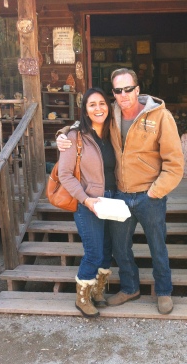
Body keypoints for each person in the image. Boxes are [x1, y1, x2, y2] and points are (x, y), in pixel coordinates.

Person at [57, 68, 184, 314]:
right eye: (118, 90)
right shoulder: (112, 114)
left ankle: (164, 291)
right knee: (120, 247)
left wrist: (155, 192)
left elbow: (175, 164)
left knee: (157, 245)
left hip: (150, 195)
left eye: (128, 89)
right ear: (114, 94)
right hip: (121, 196)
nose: (123, 94)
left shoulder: (160, 116)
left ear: (137, 90)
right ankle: (129, 287)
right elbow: (87, 120)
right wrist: (63, 134)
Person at [58, 87, 116, 318]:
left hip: (112, 200)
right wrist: (86, 199)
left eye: (102, 103)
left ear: (108, 106)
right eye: (92, 104)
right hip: (87, 203)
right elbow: (65, 174)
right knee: (93, 251)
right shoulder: (75, 137)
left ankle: (97, 290)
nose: (98, 108)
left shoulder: (113, 132)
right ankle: (82, 298)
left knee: (107, 250)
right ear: (85, 109)